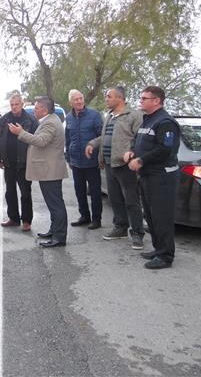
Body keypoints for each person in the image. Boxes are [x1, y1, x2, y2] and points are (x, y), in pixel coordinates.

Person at [124, 86, 180, 270]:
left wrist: (141, 160)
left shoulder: (166, 122)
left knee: (161, 216)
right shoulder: (147, 120)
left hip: (162, 177)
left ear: (157, 101)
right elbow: (139, 140)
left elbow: (165, 149)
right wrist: (132, 151)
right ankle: (158, 249)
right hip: (147, 176)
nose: (140, 101)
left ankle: (165, 255)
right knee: (150, 215)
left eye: (144, 98)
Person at [85, 87, 145, 249]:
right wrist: (93, 144)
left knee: (131, 200)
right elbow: (105, 137)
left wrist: (132, 152)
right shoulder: (110, 116)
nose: (106, 99)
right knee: (115, 199)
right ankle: (120, 227)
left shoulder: (134, 115)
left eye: (109, 96)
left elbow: (140, 138)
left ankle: (138, 233)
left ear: (120, 98)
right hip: (109, 164)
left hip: (125, 165)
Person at [9, 96, 68, 247]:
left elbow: (41, 141)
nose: (34, 110)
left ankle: (59, 237)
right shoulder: (50, 120)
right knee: (53, 203)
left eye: (36, 108)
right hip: (48, 170)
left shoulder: (50, 123)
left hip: (50, 171)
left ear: (45, 110)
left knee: (55, 204)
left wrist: (20, 133)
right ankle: (54, 230)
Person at [0, 94, 39, 231]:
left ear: (22, 104)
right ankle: (13, 218)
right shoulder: (5, 119)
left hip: (24, 163)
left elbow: (37, 140)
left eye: (16, 104)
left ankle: (26, 220)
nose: (14, 107)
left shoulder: (30, 120)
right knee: (10, 192)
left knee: (25, 193)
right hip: (9, 163)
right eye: (12, 105)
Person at [65, 89, 104, 229]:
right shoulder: (69, 117)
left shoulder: (94, 115)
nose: (79, 101)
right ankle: (84, 216)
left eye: (81, 98)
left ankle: (96, 219)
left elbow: (102, 136)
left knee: (94, 192)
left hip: (91, 161)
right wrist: (68, 157)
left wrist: (96, 150)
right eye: (76, 99)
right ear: (71, 102)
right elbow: (68, 139)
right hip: (76, 161)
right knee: (79, 191)